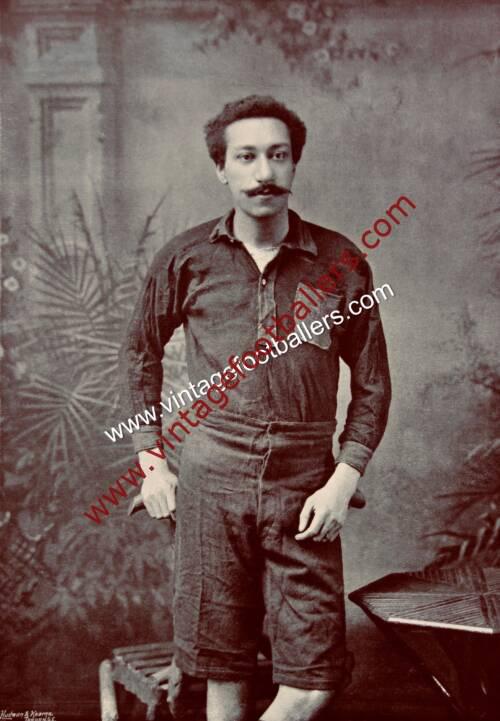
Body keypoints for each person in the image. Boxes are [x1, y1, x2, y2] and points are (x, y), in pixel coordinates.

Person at [121, 95, 391, 721]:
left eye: (277, 155)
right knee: (224, 667)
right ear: (221, 168)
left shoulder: (342, 263)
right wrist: (152, 465)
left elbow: (373, 385)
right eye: (246, 157)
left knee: (314, 677)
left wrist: (343, 478)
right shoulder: (186, 259)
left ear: (294, 163)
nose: (264, 172)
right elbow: (138, 356)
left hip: (306, 484)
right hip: (211, 480)